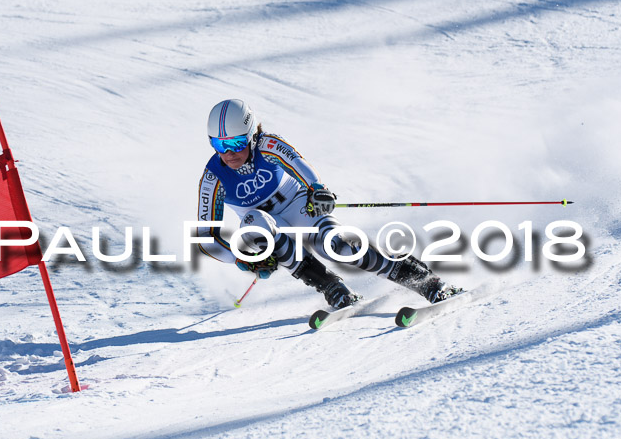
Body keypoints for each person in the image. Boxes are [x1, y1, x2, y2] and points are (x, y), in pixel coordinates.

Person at [196, 99, 462, 309]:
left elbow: (299, 165)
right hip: (266, 227)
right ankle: (332, 288)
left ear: (253, 135)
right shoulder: (213, 178)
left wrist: (317, 191)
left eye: (237, 142)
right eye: (219, 144)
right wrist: (241, 258)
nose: (229, 153)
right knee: (254, 222)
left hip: (299, 207)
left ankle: (426, 281)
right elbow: (206, 239)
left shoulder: (268, 145)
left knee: (338, 247)